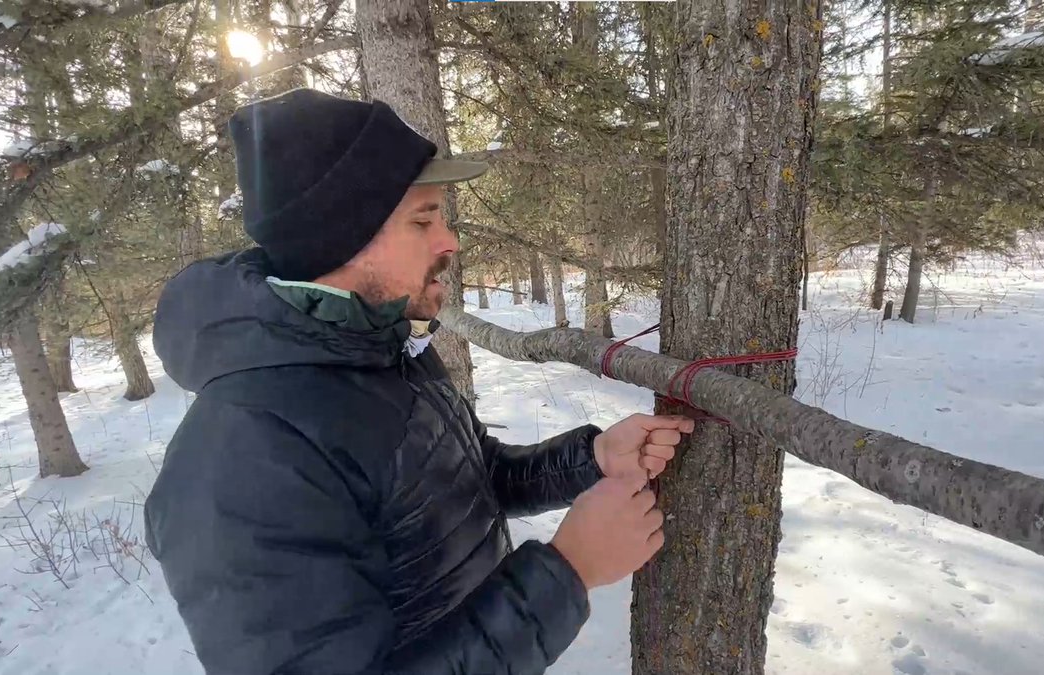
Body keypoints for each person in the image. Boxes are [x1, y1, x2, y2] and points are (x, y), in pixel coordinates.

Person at [144, 88, 694, 674]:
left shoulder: (379, 347)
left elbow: (464, 483)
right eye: (423, 219)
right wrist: (568, 571)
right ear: (344, 237)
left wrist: (591, 458)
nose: (449, 240)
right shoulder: (242, 455)